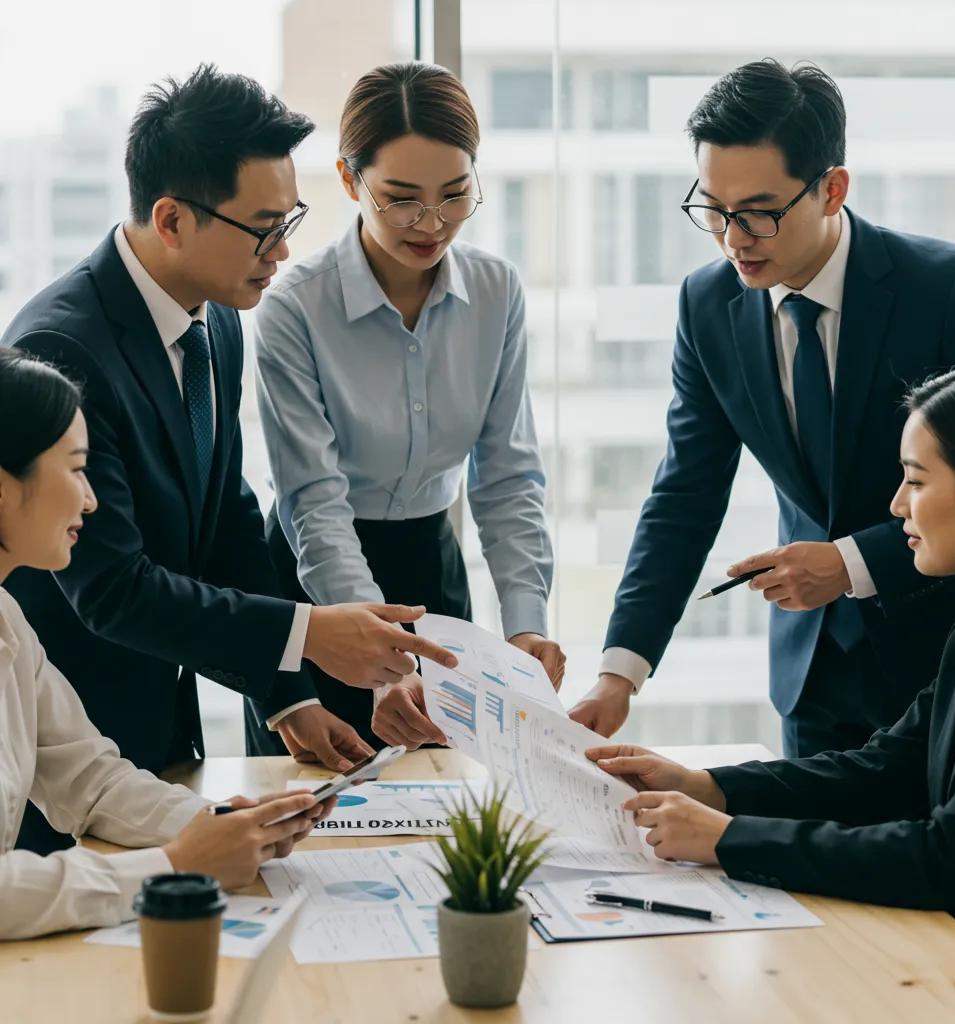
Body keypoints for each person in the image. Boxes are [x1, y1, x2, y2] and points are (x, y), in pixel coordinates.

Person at [0, 65, 456, 854]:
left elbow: (228, 518)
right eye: (264, 227)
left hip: (158, 749)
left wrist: (289, 698)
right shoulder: (64, 347)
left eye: (291, 220)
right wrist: (308, 633)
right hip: (53, 763)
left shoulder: (217, 318)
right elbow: (111, 588)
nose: (283, 250)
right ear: (172, 219)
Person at [570, 59, 955, 756]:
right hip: (812, 678)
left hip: (948, 661)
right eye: (713, 210)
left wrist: (851, 562)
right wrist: (619, 673)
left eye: (758, 212)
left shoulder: (950, 289)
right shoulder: (707, 304)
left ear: (832, 189)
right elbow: (685, 493)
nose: (733, 238)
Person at [589, 362, 955, 969]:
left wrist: (726, 838)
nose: (897, 504)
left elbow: (947, 857)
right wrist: (708, 787)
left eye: (917, 482)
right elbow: (884, 768)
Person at [254, 62, 563, 750]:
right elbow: (314, 504)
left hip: (432, 573)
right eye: (401, 199)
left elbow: (508, 477)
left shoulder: (496, 292)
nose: (432, 223)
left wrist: (525, 628)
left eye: (455, 195)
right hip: (316, 590)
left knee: (449, 791)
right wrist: (382, 662)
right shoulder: (294, 309)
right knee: (317, 794)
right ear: (349, 180)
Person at [0, 349, 336, 940]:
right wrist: (175, 867)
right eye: (76, 470)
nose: (91, 500)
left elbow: (92, 782)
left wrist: (227, 824)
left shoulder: (7, 619)